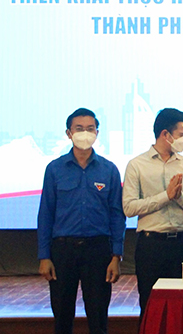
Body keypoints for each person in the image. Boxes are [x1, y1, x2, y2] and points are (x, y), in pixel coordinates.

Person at [37, 108, 125, 334]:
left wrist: (116, 256)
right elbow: (46, 214)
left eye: (90, 129)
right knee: (62, 314)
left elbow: (117, 215)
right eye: (79, 129)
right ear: (68, 133)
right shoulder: (55, 169)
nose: (85, 133)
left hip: (98, 250)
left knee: (98, 316)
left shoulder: (109, 170)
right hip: (62, 250)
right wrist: (44, 256)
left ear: (97, 132)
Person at [122, 108, 183, 319]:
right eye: (181, 135)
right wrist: (165, 196)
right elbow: (129, 208)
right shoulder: (137, 165)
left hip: (182, 243)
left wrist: (179, 197)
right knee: (150, 307)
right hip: (151, 245)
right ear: (165, 134)